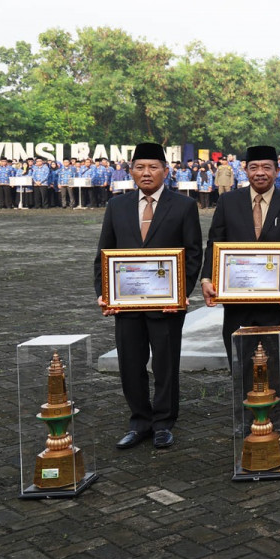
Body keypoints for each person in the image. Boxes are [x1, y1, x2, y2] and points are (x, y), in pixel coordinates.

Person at [94, 143, 203, 450]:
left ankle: (164, 422)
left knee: (166, 363)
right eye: (140, 167)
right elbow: (105, 251)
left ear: (165, 172)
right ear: (131, 172)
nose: (146, 173)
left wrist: (180, 293)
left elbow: (194, 253)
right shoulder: (117, 206)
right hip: (126, 302)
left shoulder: (183, 206)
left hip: (166, 305)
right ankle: (139, 421)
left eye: (153, 167)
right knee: (130, 362)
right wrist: (104, 292)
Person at [200, 145, 280, 412]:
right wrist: (206, 278)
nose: (260, 173)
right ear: (245, 170)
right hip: (239, 300)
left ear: (277, 170)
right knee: (242, 356)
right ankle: (247, 408)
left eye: (266, 168)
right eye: (254, 168)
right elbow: (215, 243)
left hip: (279, 301)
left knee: (279, 357)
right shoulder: (228, 202)